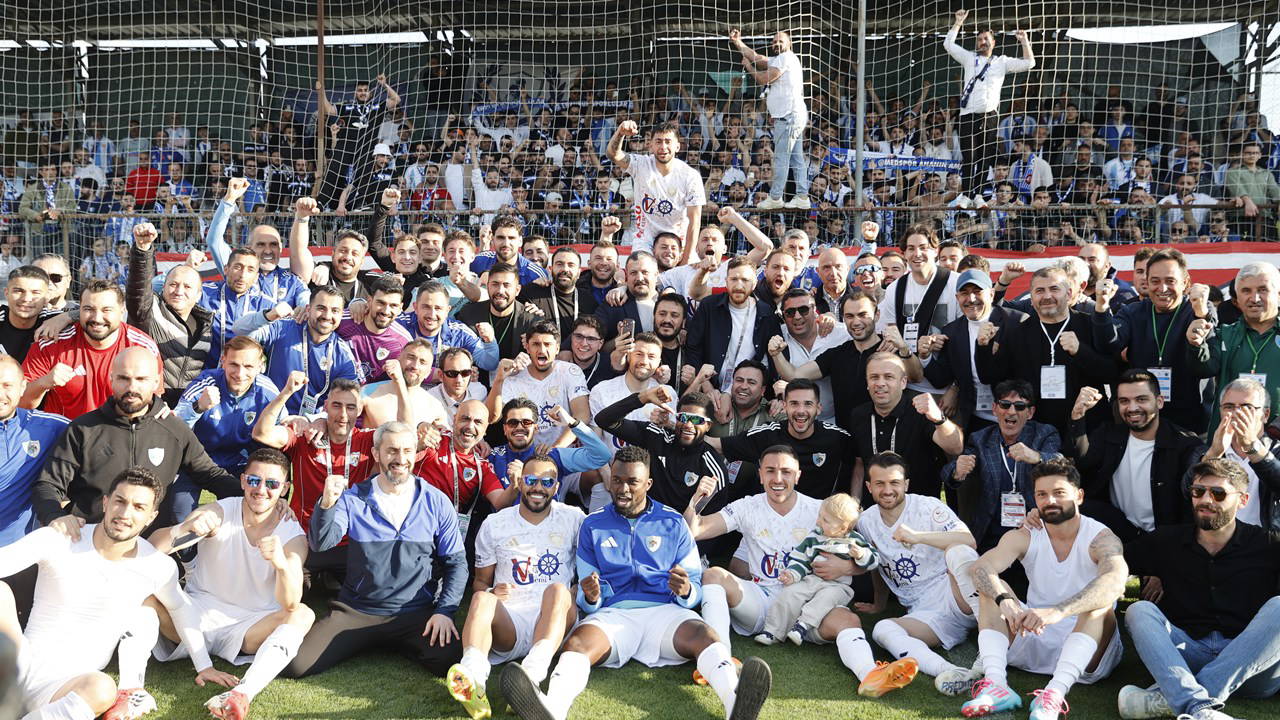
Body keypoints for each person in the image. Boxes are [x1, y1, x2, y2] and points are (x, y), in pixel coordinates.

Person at [501, 445, 772, 720]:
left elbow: (694, 586)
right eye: (617, 480)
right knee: (577, 646)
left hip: (665, 613)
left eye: (633, 482)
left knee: (705, 636)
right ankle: (552, 709)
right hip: (613, 615)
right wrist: (591, 596)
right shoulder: (592, 524)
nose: (623, 489)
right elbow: (586, 594)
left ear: (648, 484)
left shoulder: (673, 522)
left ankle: (735, 703)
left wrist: (687, 591)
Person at [0, 468, 233, 720]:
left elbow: (180, 608)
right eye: (120, 501)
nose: (125, 513)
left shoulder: (156, 566)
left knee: (103, 688)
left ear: (151, 517)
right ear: (106, 502)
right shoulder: (61, 538)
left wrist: (205, 665)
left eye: (138, 507)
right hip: (17, 665)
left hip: (68, 685)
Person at [283, 421, 468, 678]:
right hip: (357, 611)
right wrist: (326, 505)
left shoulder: (435, 500)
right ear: (376, 454)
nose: (400, 458)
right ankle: (377, 642)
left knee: (450, 660)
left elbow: (456, 563)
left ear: (415, 453)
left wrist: (444, 612)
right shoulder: (353, 498)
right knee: (296, 665)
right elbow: (321, 543)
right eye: (391, 450)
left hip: (415, 612)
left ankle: (396, 642)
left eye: (407, 451)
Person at [145, 448, 313, 720]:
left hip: (249, 629)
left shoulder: (293, 534)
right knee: (147, 592)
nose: (261, 490)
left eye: (272, 484)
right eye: (254, 480)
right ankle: (130, 687)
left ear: (284, 489)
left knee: (303, 614)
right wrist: (184, 529)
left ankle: (242, 694)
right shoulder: (220, 511)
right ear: (243, 480)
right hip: (194, 618)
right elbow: (152, 549)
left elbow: (291, 602)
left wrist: (281, 564)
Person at [962, 458, 1127, 719]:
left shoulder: (1100, 538)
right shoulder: (1026, 534)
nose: (1050, 500)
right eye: (1042, 494)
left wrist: (1057, 611)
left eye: (1059, 492)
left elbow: (1115, 581)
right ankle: (996, 685)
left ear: (1079, 496)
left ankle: (1054, 695)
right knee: (992, 589)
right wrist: (1005, 600)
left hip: (1087, 646)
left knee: (1099, 603)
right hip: (1033, 631)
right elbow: (980, 568)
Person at [1121, 458, 1280, 720]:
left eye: (1218, 493)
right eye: (1198, 491)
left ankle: (1178, 698)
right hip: (1186, 657)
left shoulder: (1268, 544)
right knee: (1139, 611)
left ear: (1242, 500)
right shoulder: (1166, 541)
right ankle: (1199, 708)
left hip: (1251, 669)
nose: (1206, 500)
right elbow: (1113, 556)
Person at [33, 347, 239, 529]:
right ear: (111, 379)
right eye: (124, 378)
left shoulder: (174, 429)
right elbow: (49, 484)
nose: (132, 388)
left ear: (156, 382)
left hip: (149, 546)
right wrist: (56, 517)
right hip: (90, 541)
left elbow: (211, 475)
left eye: (141, 379)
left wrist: (250, 495)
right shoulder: (83, 429)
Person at [447, 453, 586, 719]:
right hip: (510, 622)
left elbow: (591, 566)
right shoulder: (495, 523)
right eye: (531, 480)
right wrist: (490, 593)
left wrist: (576, 590)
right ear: (520, 482)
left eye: (547, 482)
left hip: (554, 617)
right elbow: (480, 581)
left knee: (559, 590)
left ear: (556, 487)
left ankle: (531, 675)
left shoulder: (573, 518)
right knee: (481, 599)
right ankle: (474, 679)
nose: (538, 488)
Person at [850, 452, 987, 699]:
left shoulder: (928, 506)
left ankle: (988, 638)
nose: (887, 490)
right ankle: (951, 672)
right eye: (880, 483)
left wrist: (918, 537)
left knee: (959, 552)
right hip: (924, 611)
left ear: (906, 484)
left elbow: (968, 540)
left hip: (955, 591)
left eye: (894, 482)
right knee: (882, 629)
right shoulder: (866, 521)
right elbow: (877, 564)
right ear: (869, 487)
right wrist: (880, 603)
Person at [976, 265, 1119, 439]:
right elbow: (990, 377)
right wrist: (983, 347)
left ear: (1068, 294)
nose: (1047, 296)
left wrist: (1081, 351)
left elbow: (1112, 373)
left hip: (1088, 429)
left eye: (1054, 289)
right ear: (1031, 298)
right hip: (1036, 433)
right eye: (1039, 291)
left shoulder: (1089, 325)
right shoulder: (1017, 333)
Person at [1072, 370, 1204, 540]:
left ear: (1159, 402)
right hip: (1119, 534)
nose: (1132, 408)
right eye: (1124, 401)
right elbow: (1083, 464)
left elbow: (1196, 490)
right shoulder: (1108, 435)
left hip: (1166, 540)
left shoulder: (1184, 443)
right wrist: (1078, 415)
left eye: (1141, 399)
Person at [1093, 249, 1215, 432]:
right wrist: (1102, 307)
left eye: (1170, 281)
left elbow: (1208, 365)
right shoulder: (1132, 311)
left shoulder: (1199, 309)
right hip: (1143, 419)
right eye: (1155, 281)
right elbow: (1108, 344)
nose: (1162, 288)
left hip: (1190, 424)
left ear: (1185, 282)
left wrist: (1200, 314)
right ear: (1147, 282)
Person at [252, 374, 380, 538]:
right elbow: (261, 433)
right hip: (304, 534)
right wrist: (287, 392)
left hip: (351, 536)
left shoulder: (368, 441)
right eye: (336, 405)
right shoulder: (305, 436)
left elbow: (406, 438)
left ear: (359, 410)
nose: (343, 414)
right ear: (325, 407)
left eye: (350, 407)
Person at [944, 380, 1062, 552]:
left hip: (1035, 529)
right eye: (1005, 405)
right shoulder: (980, 439)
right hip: (992, 533)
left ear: (1030, 412)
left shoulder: (1044, 434)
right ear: (994, 409)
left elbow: (1060, 464)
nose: (1011, 411)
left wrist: (1036, 456)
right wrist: (957, 471)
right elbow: (947, 473)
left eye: (1019, 406)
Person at [20, 280, 162, 419]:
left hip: (120, 432)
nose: (97, 318)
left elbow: (153, 402)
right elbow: (22, 403)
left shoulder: (142, 347)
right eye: (88, 309)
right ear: (79, 310)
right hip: (66, 432)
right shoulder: (52, 345)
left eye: (106, 310)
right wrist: (44, 382)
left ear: (121, 311)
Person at [755, 493, 877, 648]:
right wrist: (792, 574)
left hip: (837, 586)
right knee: (790, 594)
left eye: (825, 520)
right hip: (812, 580)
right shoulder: (814, 537)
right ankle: (772, 631)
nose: (818, 521)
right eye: (820, 516)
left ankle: (802, 626)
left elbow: (875, 559)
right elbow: (800, 558)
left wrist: (861, 555)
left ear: (843, 527)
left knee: (826, 598)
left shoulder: (855, 540)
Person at [918, 269, 1026, 434]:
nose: (971, 299)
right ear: (957, 298)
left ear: (991, 294)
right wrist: (925, 356)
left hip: (1015, 418)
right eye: (964, 293)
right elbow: (941, 379)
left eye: (977, 291)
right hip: (976, 421)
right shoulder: (952, 331)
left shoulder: (1015, 322)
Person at [709, 379, 854, 500]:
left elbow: (859, 462)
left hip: (819, 517)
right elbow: (717, 445)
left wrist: (854, 501)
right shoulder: (768, 434)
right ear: (785, 407)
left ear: (819, 408)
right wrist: (695, 425)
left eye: (808, 404)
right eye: (794, 403)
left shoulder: (837, 437)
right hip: (774, 515)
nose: (801, 411)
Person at [595, 385, 730, 514]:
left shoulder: (713, 469)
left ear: (708, 425)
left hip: (680, 528)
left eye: (696, 420)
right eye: (683, 417)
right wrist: (643, 397)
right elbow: (604, 420)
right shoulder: (656, 437)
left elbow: (709, 522)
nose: (688, 425)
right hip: (640, 520)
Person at [846, 353, 963, 500]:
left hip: (917, 505)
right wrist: (855, 502)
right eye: (874, 377)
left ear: (903, 382)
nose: (880, 383)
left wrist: (939, 419)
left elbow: (956, 447)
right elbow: (859, 464)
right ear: (867, 383)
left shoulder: (921, 412)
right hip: (875, 507)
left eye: (888, 377)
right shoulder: (858, 415)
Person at [232, 285, 363, 416]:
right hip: (267, 414)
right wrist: (269, 315)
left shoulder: (343, 354)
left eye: (335, 311)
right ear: (308, 309)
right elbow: (239, 330)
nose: (327, 316)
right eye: (321, 308)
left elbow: (351, 399)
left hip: (310, 423)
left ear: (341, 314)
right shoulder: (282, 328)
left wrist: (315, 420)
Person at [944, 9, 1036, 186]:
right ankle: (967, 194)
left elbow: (1029, 63)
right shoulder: (969, 58)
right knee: (969, 157)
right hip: (967, 115)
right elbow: (948, 44)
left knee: (984, 157)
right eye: (979, 39)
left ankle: (979, 195)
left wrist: (1024, 41)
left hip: (990, 116)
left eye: (986, 38)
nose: (982, 42)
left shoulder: (1002, 61)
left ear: (993, 42)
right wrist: (958, 23)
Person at [126, 222, 214, 405]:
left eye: (187, 286)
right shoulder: (149, 311)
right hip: (150, 406)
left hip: (188, 409)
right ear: (163, 287)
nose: (179, 291)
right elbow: (138, 288)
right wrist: (143, 250)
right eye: (173, 284)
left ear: (199, 295)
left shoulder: (206, 325)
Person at [1187, 261, 1280, 433]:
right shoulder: (1224, 334)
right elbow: (1204, 369)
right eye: (1246, 291)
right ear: (1236, 299)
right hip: (1227, 440)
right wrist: (1196, 344)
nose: (1254, 298)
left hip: (1276, 439)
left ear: (1278, 294)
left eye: (1262, 290)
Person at [730, 29, 809, 210]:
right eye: (773, 41)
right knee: (796, 159)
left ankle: (775, 197)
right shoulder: (782, 59)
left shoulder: (785, 58)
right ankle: (802, 196)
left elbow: (763, 79)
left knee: (781, 159)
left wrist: (749, 67)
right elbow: (757, 57)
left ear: (789, 43)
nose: (776, 43)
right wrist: (738, 42)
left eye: (780, 40)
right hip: (793, 115)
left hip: (788, 117)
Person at [205, 179, 314, 307]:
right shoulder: (238, 273)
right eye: (261, 245)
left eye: (273, 245)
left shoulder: (291, 281)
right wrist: (229, 200)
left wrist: (302, 218)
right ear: (249, 248)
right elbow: (214, 241)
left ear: (280, 248)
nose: (268, 250)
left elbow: (307, 304)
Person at [684, 257, 782, 393]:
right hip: (708, 388)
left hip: (747, 393)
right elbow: (693, 348)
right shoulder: (709, 306)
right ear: (726, 281)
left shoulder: (766, 313)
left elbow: (772, 358)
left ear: (754, 284)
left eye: (745, 280)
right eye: (734, 279)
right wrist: (707, 387)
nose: (738, 286)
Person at [604, 121, 704, 254]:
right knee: (640, 266)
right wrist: (620, 133)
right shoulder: (640, 165)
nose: (663, 147)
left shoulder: (691, 176)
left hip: (678, 244)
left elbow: (695, 220)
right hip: (645, 242)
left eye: (668, 142)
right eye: (658, 141)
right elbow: (613, 154)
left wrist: (688, 256)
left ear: (678, 146)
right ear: (650, 145)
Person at [487, 321, 592, 448]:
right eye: (536, 344)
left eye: (547, 344)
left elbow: (583, 415)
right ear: (527, 347)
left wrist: (555, 449)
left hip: (564, 452)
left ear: (557, 348)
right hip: (525, 454)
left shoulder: (570, 371)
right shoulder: (513, 376)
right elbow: (492, 418)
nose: (542, 350)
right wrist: (499, 380)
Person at [487, 400, 612, 506]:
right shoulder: (492, 457)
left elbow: (601, 456)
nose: (519, 427)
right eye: (513, 423)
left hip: (549, 525)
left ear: (536, 428)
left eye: (526, 422)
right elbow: (498, 506)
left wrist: (572, 422)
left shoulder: (550, 455)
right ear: (505, 429)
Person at [772, 289, 850, 422]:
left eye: (803, 310)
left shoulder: (840, 333)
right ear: (783, 315)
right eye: (790, 312)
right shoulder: (778, 337)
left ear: (814, 310)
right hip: (796, 421)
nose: (797, 316)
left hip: (838, 419)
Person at [336, 274, 412, 383]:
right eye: (381, 303)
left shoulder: (403, 341)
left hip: (375, 393)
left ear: (400, 308)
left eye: (393, 305)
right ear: (369, 301)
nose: (386, 311)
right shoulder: (341, 321)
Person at [454, 264, 538, 361]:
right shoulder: (469, 314)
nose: (500, 291)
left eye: (506, 285)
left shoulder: (531, 321)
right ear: (487, 286)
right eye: (495, 284)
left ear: (517, 290)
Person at [359, 339, 446, 430]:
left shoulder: (434, 406)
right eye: (411, 357)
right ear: (398, 360)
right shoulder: (368, 392)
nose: (415, 366)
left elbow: (444, 436)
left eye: (422, 362)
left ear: (429, 372)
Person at [521, 246, 598, 347]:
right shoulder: (532, 293)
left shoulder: (589, 301)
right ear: (550, 269)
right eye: (559, 264)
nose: (565, 269)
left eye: (571, 265)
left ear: (579, 273)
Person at [594, 251, 663, 345]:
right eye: (633, 273)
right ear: (627, 276)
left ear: (656, 274)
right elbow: (596, 344)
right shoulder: (613, 304)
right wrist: (617, 340)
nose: (639, 278)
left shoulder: (670, 303)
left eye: (645, 272)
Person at [0, 265, 60, 362]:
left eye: (35, 293)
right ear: (6, 293)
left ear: (46, 297)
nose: (26, 299)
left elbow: (84, 314)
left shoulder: (54, 319)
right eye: (18, 291)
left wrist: (66, 318)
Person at [429, 347, 491, 424]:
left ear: (471, 373)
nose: (459, 380)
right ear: (440, 375)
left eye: (465, 373)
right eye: (452, 373)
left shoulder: (479, 392)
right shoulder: (429, 400)